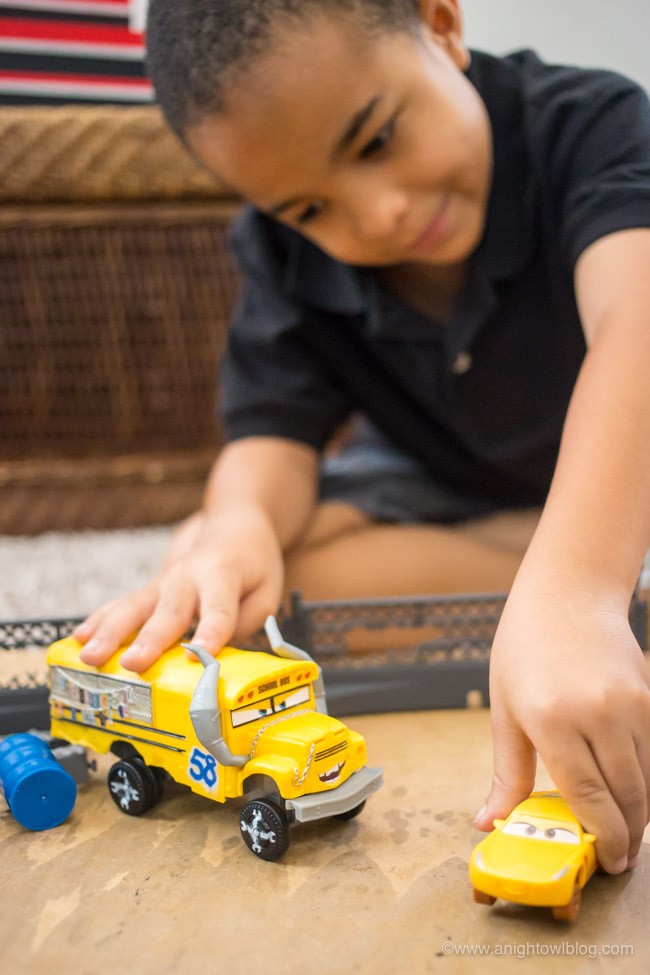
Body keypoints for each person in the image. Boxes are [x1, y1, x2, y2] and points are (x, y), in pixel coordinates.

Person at [75, 0, 650, 876]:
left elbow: (636, 328)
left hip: (619, 460)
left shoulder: (593, 123)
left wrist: (576, 585)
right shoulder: (277, 247)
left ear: (442, 25)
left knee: (585, 564)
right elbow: (270, 438)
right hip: (440, 476)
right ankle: (523, 570)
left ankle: (571, 575)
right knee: (232, 573)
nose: (375, 216)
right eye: (310, 206)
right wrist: (237, 526)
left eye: (377, 139)